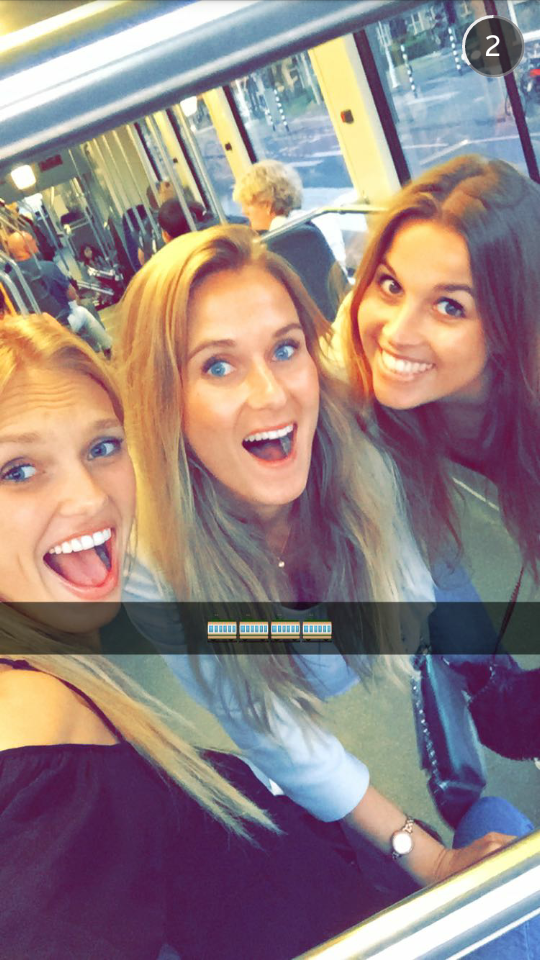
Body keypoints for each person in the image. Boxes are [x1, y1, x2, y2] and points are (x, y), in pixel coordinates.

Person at [117, 226, 540, 945]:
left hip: (404, 596)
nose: (271, 393)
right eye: (217, 365)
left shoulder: (360, 429)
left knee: (451, 626)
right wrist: (426, 855)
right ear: (163, 400)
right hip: (310, 659)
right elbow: (269, 726)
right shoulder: (152, 562)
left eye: (285, 349)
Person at [0, 313, 408, 959]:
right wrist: (417, 847)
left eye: (102, 447)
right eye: (17, 470)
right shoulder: (33, 733)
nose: (89, 498)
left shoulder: (365, 463)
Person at [343, 154, 540, 581]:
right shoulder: (352, 431)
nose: (397, 332)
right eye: (391, 285)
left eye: (449, 306)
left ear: (514, 325)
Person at [4, 230, 112, 355]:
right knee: (83, 311)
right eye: (33, 240)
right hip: (61, 324)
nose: (37, 243)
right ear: (27, 247)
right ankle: (107, 347)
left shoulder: (9, 281)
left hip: (35, 332)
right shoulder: (48, 267)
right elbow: (72, 295)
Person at [233, 159, 303, 231]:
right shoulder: (303, 223)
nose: (243, 212)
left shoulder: (280, 236)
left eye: (247, 204)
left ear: (267, 206)